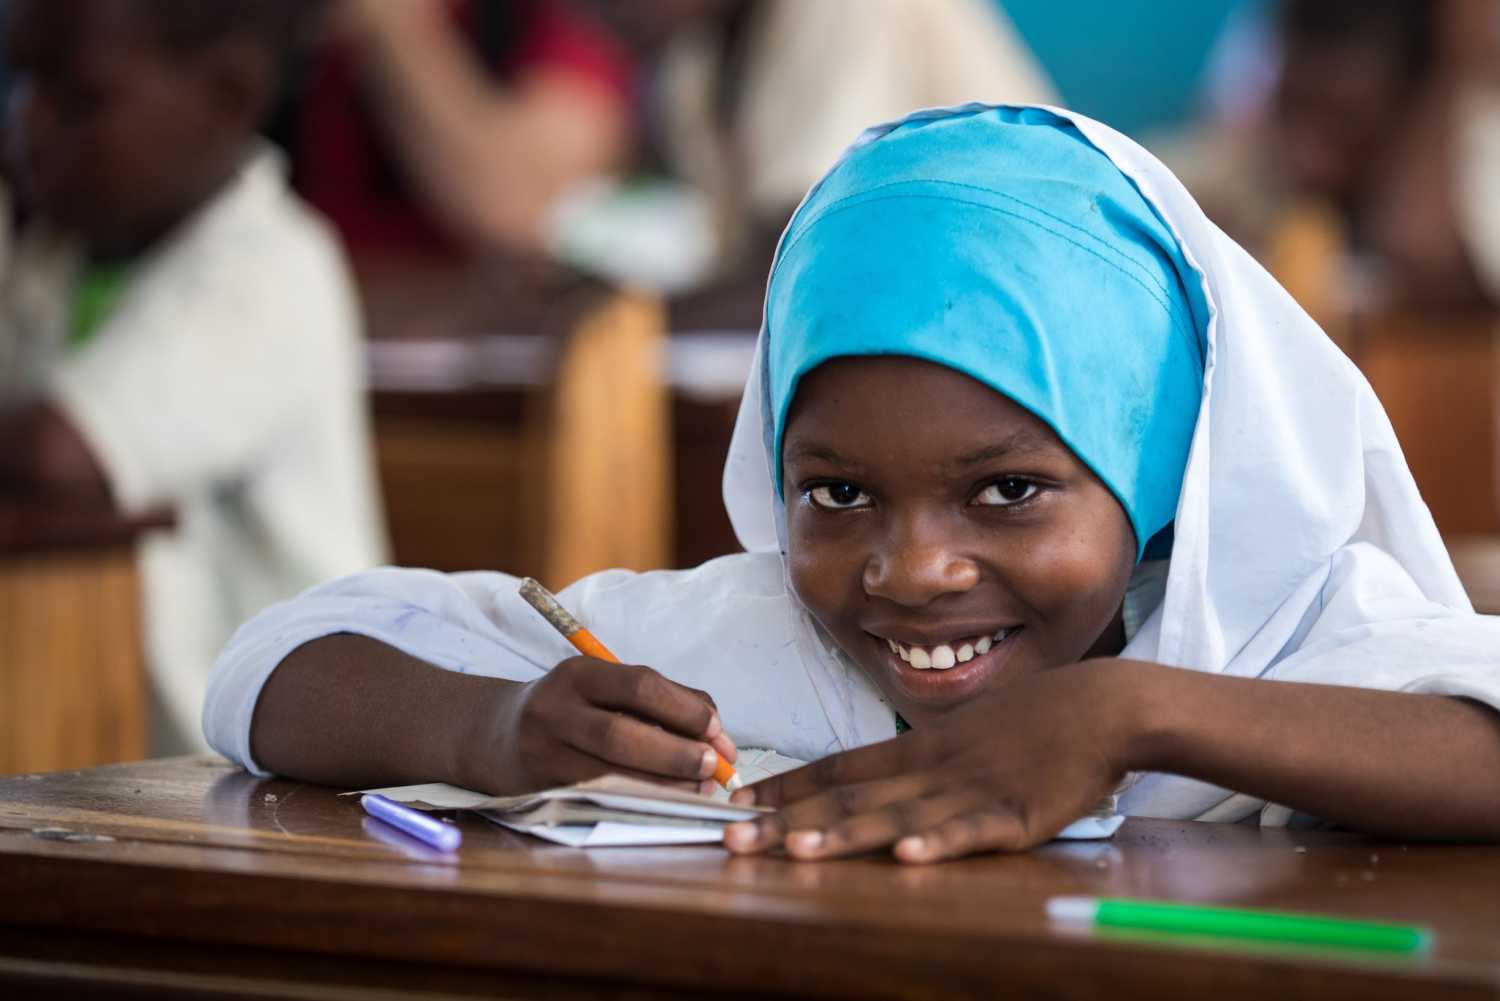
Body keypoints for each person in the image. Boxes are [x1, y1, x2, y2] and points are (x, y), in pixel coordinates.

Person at [205, 104, 1500, 861]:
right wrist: (487, 730)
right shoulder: (759, 646)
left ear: (1155, 467)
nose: (910, 570)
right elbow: (268, 665)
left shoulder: (1281, 628)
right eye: (837, 494)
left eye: (1006, 493)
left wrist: (1132, 713)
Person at [0, 0, 387, 754]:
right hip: (109, 754)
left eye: (77, 98)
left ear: (227, 96)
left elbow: (62, 454)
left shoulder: (272, 267)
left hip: (274, 779)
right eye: (19, 82)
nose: (28, 122)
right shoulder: (54, 257)